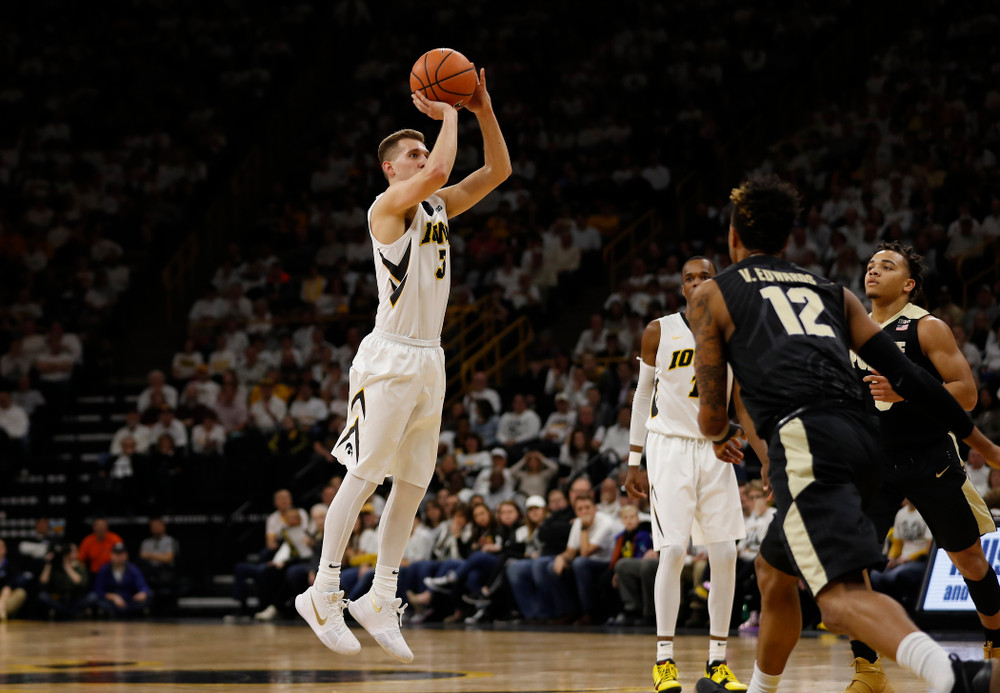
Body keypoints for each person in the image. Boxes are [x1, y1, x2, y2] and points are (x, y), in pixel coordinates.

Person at [687, 174, 1000, 693]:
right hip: (865, 442)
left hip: (817, 441)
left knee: (838, 596)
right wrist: (987, 446)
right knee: (773, 573)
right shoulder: (833, 291)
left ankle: (955, 675)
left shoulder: (713, 294)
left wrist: (722, 434)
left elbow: (713, 414)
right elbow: (913, 379)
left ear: (734, 238)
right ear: (788, 241)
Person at [296, 67, 510, 663]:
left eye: (424, 151)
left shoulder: (438, 207)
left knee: (413, 484)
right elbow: (441, 168)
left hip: (430, 358)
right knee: (363, 479)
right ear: (391, 169)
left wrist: (483, 106)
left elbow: (497, 173)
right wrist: (448, 114)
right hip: (388, 357)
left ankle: (381, 596)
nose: (424, 159)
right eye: (411, 153)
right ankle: (323, 589)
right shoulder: (386, 208)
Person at [840, 242, 1000, 692]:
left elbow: (966, 395)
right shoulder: (849, 329)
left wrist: (905, 392)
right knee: (852, 565)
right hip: (872, 463)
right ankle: (868, 670)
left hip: (928, 458)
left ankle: (996, 647)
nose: (873, 271)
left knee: (968, 562)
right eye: (870, 265)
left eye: (886, 266)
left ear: (908, 283)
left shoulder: (926, 327)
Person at [624, 256, 748, 692]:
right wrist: (634, 460)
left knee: (726, 554)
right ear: (682, 288)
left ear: (719, 284)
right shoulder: (660, 329)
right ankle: (664, 660)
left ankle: (717, 660)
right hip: (669, 448)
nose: (696, 283)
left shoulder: (733, 331)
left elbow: (740, 397)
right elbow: (643, 396)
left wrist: (752, 442)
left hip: (714, 449)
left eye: (704, 277)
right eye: (689, 278)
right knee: (673, 551)